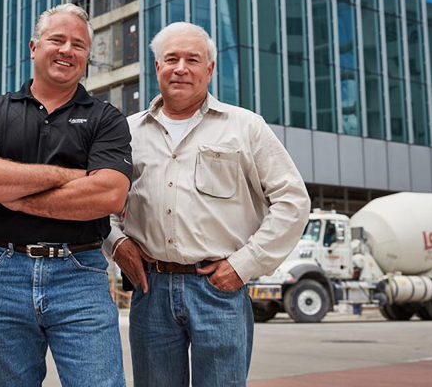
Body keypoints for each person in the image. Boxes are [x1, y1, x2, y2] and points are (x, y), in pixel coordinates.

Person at [107, 22, 310, 387]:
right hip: (150, 290)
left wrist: (244, 265)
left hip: (219, 289)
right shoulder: (128, 131)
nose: (181, 68)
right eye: (171, 59)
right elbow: (100, 201)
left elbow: (293, 201)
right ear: (157, 67)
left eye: (193, 59)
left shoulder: (245, 127)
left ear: (210, 69)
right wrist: (118, 243)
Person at [0, 3, 131, 386]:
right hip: (3, 272)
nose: (67, 50)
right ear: (34, 47)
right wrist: (70, 178)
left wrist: (16, 193)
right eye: (57, 39)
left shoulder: (106, 118)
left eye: (79, 44)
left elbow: (109, 195)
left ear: (88, 57)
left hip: (80, 274)